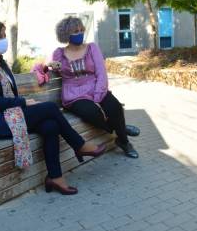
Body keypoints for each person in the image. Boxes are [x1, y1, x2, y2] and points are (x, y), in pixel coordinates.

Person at [0, 19, 106, 196]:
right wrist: (23, 102)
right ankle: (79, 145)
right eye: (0, 36)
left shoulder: (0, 63)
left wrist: (22, 102)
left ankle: (55, 177)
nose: (4, 40)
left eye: (4, 35)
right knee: (49, 108)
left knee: (51, 126)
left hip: (8, 115)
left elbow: (7, 94)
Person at [33, 16, 140, 158]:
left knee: (114, 107)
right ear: (66, 34)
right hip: (74, 94)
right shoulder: (58, 53)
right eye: (75, 31)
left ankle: (124, 141)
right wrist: (48, 65)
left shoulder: (92, 48)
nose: (80, 34)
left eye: (81, 30)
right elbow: (41, 68)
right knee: (92, 112)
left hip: (95, 87)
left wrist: (98, 95)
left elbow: (101, 72)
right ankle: (121, 128)